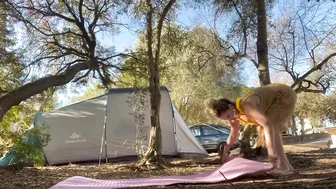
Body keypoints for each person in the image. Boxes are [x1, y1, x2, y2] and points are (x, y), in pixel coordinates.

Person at [207, 83, 296, 176]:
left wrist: (270, 152)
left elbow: (268, 125)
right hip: (273, 99)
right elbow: (233, 135)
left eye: (229, 116)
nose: (230, 120)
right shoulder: (235, 115)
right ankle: (287, 167)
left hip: (283, 94)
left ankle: (283, 166)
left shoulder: (247, 105)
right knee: (267, 127)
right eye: (226, 119)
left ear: (231, 107)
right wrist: (224, 155)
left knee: (271, 126)